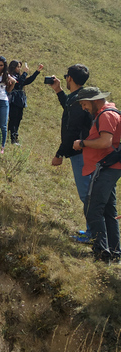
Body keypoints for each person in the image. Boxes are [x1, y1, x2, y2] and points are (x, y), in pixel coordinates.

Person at [71, 87, 121, 261]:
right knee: (108, 211)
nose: (84, 108)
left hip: (104, 167)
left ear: (94, 101)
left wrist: (82, 143)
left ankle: (101, 252)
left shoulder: (106, 115)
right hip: (110, 167)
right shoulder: (110, 113)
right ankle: (114, 253)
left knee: (93, 209)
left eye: (85, 104)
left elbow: (105, 141)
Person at [50, 64, 93, 243]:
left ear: (70, 78)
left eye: (66, 76)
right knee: (89, 193)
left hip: (80, 153)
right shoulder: (78, 97)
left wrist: (59, 154)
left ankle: (93, 234)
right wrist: (59, 91)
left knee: (87, 194)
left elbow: (72, 128)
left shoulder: (78, 99)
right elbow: (69, 111)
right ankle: (93, 231)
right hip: (84, 151)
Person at [7, 60, 43, 146]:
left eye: (20, 67)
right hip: (14, 99)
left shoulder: (19, 76)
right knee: (13, 118)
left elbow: (27, 81)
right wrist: (24, 73)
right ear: (13, 67)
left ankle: (15, 136)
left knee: (19, 118)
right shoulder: (11, 76)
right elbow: (19, 83)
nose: (19, 68)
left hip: (20, 100)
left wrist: (37, 72)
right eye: (18, 67)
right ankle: (11, 137)